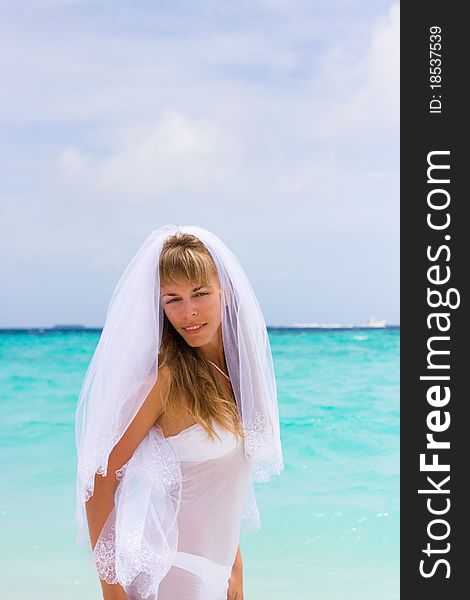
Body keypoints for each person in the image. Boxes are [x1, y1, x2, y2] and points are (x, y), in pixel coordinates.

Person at [75, 225, 284, 600]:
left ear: (224, 291)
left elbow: (216, 487)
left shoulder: (235, 376)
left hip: (218, 575)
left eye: (200, 294)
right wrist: (112, 591)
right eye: (172, 299)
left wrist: (234, 564)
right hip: (173, 574)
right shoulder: (165, 379)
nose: (188, 312)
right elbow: (100, 484)